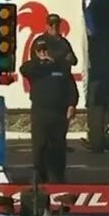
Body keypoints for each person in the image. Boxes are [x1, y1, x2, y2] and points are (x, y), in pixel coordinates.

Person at [20, 36, 79, 184]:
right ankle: (40, 176)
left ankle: (58, 177)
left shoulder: (61, 67)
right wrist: (41, 62)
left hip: (58, 113)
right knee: (40, 145)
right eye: (39, 50)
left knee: (58, 146)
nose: (43, 53)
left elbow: (71, 88)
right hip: (40, 112)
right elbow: (24, 69)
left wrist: (72, 105)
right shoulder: (33, 68)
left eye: (45, 50)